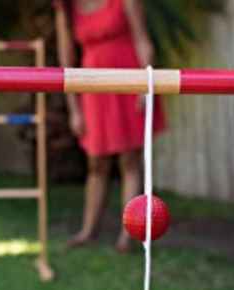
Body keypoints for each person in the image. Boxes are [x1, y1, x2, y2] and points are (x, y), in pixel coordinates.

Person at [55, 0, 167, 252]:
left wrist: (144, 87)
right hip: (93, 88)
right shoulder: (65, 6)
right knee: (96, 162)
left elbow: (142, 40)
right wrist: (74, 108)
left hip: (129, 81)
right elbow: (66, 61)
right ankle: (88, 231)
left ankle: (128, 235)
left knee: (129, 161)